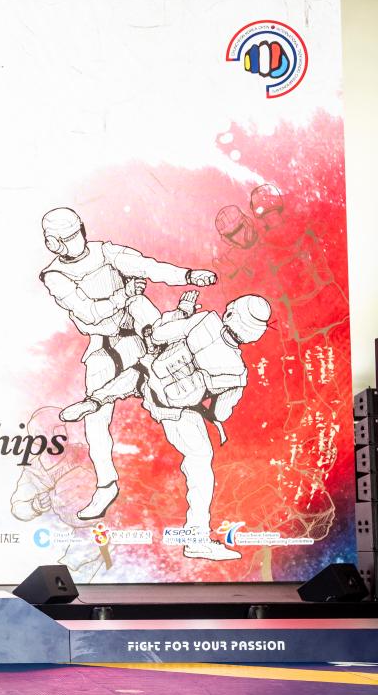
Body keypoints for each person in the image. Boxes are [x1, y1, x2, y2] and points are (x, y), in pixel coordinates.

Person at [59, 291, 272, 561]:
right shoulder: (237, 373)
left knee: (141, 369)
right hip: (175, 409)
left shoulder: (204, 320)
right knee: (200, 461)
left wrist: (181, 312)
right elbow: (220, 412)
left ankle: (96, 399)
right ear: (254, 335)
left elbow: (160, 334)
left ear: (230, 313)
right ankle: (197, 538)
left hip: (147, 380)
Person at [38, 206, 217, 521]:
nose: (75, 242)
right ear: (53, 243)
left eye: (76, 234)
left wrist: (188, 276)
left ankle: (197, 475)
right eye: (66, 238)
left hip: (143, 336)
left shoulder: (106, 252)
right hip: (104, 347)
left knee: (173, 398)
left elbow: (148, 266)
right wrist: (123, 296)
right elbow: (88, 312)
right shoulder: (55, 275)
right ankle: (106, 485)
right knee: (95, 421)